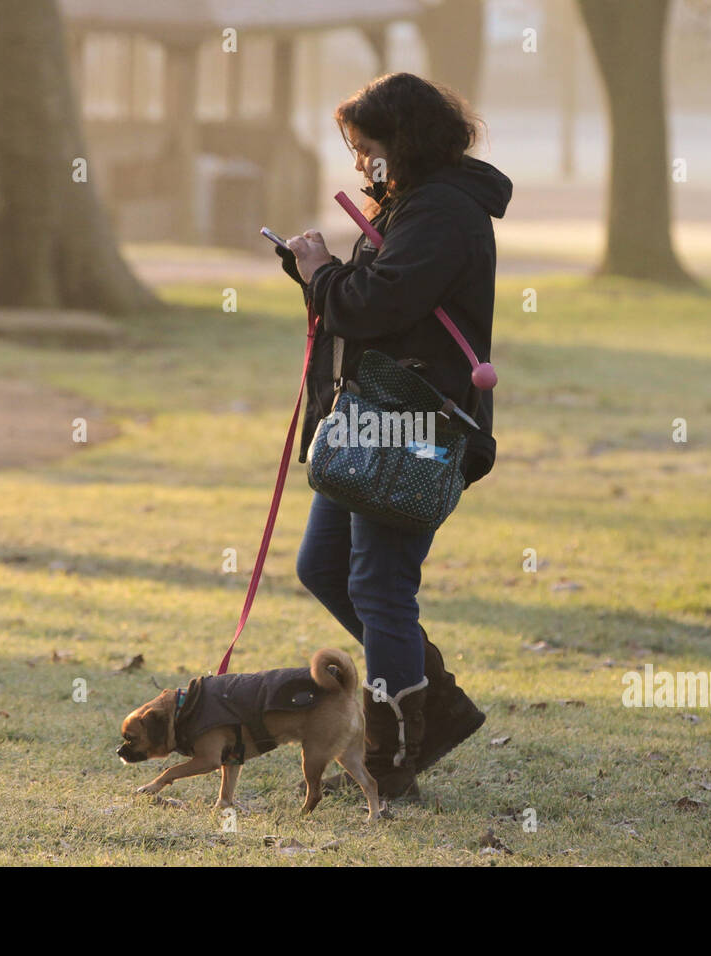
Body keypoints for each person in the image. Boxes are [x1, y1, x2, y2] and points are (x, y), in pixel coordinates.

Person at [278, 72, 512, 801]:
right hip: (377, 416)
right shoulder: (415, 202)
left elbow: (377, 306)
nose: (359, 165)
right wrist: (315, 276)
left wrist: (322, 275)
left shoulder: (442, 211)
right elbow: (378, 305)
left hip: (413, 421)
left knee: (380, 586)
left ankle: (394, 757)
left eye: (367, 149)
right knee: (324, 566)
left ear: (402, 144)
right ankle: (432, 702)